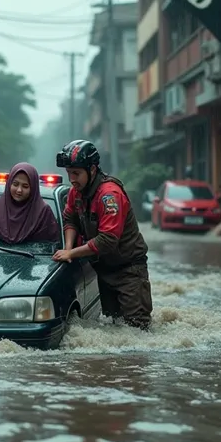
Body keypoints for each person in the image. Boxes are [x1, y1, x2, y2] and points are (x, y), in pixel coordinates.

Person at [53, 140, 152, 330]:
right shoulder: (76, 192)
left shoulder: (109, 195)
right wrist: (67, 248)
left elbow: (107, 240)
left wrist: (72, 254)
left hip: (129, 271)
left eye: (76, 173)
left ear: (92, 170)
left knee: (137, 331)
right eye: (69, 173)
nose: (72, 179)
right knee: (113, 327)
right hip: (104, 270)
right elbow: (70, 218)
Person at [0, 163, 59, 244]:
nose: (19, 190)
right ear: (9, 184)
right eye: (15, 184)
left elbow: (52, 244)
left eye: (25, 186)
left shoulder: (43, 212)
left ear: (33, 188)